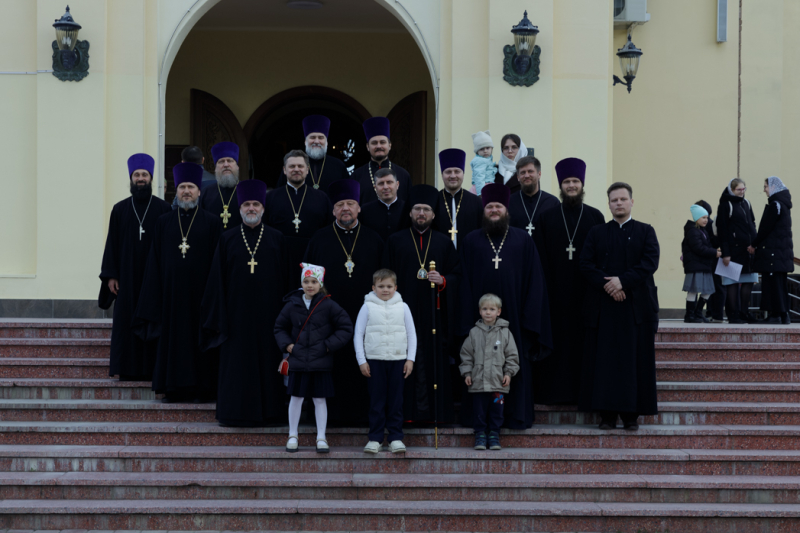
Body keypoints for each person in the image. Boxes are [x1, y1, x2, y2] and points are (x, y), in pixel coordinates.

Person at [459, 183, 552, 429]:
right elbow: (464, 282)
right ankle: (480, 421)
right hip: (480, 322)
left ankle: (514, 416)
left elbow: (535, 282)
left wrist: (529, 317)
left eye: (498, 206)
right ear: (484, 210)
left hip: (516, 320)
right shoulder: (471, 241)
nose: (494, 210)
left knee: (513, 365)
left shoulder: (523, 239)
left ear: (506, 209)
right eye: (489, 206)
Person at [200, 179, 289, 427]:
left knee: (268, 363)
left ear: (263, 208)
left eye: (256, 204)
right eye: (247, 204)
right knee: (236, 365)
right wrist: (219, 318)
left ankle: (270, 414)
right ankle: (233, 413)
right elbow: (217, 280)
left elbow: (285, 279)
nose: (251, 208)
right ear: (239, 209)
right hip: (235, 315)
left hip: (269, 315)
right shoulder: (227, 239)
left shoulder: (277, 238)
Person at [135, 163, 223, 403]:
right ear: (177, 191)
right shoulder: (163, 222)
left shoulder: (212, 222)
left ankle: (202, 389)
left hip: (201, 295)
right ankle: (172, 388)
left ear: (199, 192)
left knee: (198, 341)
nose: (186, 191)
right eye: (182, 187)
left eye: (191, 187)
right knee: (173, 342)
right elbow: (154, 261)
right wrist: (154, 293)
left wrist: (213, 295)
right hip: (170, 296)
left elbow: (217, 263)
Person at [579, 182, 660, 431]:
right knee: (605, 363)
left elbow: (649, 262)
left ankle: (631, 415)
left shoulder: (646, 231)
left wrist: (622, 281)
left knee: (634, 362)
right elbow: (585, 264)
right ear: (609, 203)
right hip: (604, 309)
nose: (619, 204)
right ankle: (606, 415)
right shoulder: (597, 232)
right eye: (614, 200)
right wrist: (610, 287)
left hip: (636, 309)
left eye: (623, 199)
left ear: (631, 202)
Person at [303, 179, 385, 424]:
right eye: (340, 204)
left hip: (367, 317)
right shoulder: (318, 239)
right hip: (327, 319)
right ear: (333, 210)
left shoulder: (374, 239)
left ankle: (363, 416)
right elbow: (308, 282)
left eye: (350, 203)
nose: (345, 208)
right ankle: (329, 419)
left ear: (359, 208)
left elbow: (385, 281)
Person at [382, 184, 461, 423]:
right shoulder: (395, 241)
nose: (421, 214)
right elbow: (385, 276)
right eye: (417, 209)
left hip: (433, 315)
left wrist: (444, 280)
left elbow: (458, 275)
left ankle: (433, 414)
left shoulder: (444, 242)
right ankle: (406, 414)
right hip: (401, 313)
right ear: (409, 212)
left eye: (426, 209)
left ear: (434, 214)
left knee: (432, 360)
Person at [533, 158, 605, 406]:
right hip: (554, 296)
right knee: (557, 346)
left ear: (582, 185)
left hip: (586, 294)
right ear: (560, 185)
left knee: (583, 347)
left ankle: (583, 395)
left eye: (575, 181)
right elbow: (540, 258)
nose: (571, 185)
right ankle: (554, 395)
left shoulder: (595, 216)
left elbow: (601, 257)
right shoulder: (546, 217)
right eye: (566, 182)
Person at [98, 153, 171, 381]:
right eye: (137, 175)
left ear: (151, 178)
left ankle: (152, 369)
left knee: (153, 319)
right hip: (127, 279)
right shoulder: (119, 210)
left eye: (145, 175)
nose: (141, 178)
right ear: (131, 179)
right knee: (126, 322)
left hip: (154, 278)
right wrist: (111, 276)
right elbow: (112, 244)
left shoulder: (163, 209)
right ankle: (126, 368)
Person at [275, 263, 354, 453]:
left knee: (320, 399)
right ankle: (293, 435)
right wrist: (287, 345)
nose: (310, 285)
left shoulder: (328, 304)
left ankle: (321, 437)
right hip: (298, 361)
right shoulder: (292, 304)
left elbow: (346, 327)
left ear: (320, 284)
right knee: (296, 398)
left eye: (314, 281)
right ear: (301, 283)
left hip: (320, 362)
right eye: (306, 281)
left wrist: (328, 345)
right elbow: (279, 327)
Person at [354, 269, 417, 454]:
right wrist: (361, 360)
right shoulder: (367, 306)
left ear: (395, 287)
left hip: (397, 360)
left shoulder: (403, 307)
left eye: (389, 286)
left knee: (396, 401)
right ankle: (375, 438)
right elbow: (358, 334)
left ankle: (396, 438)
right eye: (381, 286)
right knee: (377, 401)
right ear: (373, 288)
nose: (385, 290)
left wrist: (410, 359)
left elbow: (411, 334)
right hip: (374, 361)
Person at [459, 293, 519, 451]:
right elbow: (466, 355)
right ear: (479, 311)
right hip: (478, 381)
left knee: (497, 410)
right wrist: (467, 373)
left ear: (498, 312)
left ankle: (494, 435)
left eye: (492, 309)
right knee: (479, 410)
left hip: (498, 382)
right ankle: (480, 434)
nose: (488, 312)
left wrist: (508, 373)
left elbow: (512, 356)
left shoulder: (505, 333)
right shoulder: (474, 333)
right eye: (484, 309)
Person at [264, 150, 333, 268]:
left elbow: (328, 229)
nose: (296, 169)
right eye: (292, 166)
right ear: (284, 170)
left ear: (307, 170)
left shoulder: (321, 198)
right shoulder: (270, 197)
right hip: (279, 256)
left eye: (300, 166)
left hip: (313, 257)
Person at [751, 176, 794, 324]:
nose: (764, 190)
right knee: (779, 284)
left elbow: (765, 229)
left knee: (772, 284)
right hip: (781, 253)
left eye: (766, 187)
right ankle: (783, 315)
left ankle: (775, 316)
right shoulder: (784, 205)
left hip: (773, 253)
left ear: (774, 187)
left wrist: (754, 244)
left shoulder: (775, 205)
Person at [716, 178, 758, 324]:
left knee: (749, 281)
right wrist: (726, 253)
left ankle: (744, 313)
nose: (742, 192)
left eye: (743, 189)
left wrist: (755, 243)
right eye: (738, 190)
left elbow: (752, 223)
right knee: (732, 283)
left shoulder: (746, 203)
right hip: (733, 252)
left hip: (748, 251)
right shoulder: (725, 205)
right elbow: (722, 230)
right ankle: (733, 315)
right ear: (731, 190)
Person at [274, 115, 351, 194]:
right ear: (305, 142)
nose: (316, 141)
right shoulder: (292, 165)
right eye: (312, 137)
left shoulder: (338, 165)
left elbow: (347, 194)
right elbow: (279, 194)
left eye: (321, 138)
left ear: (327, 142)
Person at [351, 117, 411, 205]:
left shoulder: (403, 175)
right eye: (374, 143)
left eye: (382, 142)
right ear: (368, 146)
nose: (379, 146)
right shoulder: (356, 176)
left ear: (389, 145)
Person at [434, 148, 483, 250]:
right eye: (448, 172)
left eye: (457, 171)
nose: (453, 176)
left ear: (463, 173)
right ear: (442, 175)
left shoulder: (476, 202)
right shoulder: (434, 200)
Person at [508, 155, 559, 248]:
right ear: (518, 177)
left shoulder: (552, 202)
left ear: (539, 174)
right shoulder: (509, 202)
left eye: (530, 171)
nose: (526, 175)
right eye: (523, 172)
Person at [681, 204, 720, 323]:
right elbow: (698, 248)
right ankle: (690, 315)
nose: (706, 220)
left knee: (707, 290)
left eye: (707, 218)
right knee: (693, 290)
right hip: (695, 266)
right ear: (696, 218)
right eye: (703, 217)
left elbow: (706, 246)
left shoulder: (701, 231)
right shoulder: (692, 231)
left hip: (704, 265)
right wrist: (714, 253)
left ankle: (697, 313)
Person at [199, 142, 243, 231]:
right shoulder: (206, 193)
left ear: (237, 166)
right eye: (221, 161)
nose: (226, 165)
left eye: (230, 161)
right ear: (215, 168)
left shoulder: (246, 190)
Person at [696, 200, 726, 323]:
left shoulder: (709, 225)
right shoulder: (703, 225)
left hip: (713, 260)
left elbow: (713, 243)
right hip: (711, 259)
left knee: (715, 287)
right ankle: (710, 313)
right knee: (711, 287)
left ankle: (716, 314)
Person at [359, 168, 409, 241]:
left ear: (397, 185)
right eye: (381, 183)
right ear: (375, 187)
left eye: (389, 182)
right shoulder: (364, 210)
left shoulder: (408, 208)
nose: (385, 187)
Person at [470, 130, 497, 195]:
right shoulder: (480, 161)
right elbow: (479, 177)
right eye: (482, 149)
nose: (485, 151)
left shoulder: (486, 159)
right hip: (483, 187)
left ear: (491, 149)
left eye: (487, 148)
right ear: (477, 151)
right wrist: (481, 193)